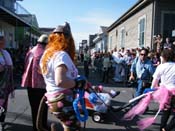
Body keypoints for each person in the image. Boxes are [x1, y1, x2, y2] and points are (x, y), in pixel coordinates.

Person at [40, 22, 84, 131]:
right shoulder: (61, 55)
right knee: (74, 127)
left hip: (53, 98)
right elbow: (60, 80)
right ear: (67, 38)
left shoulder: (47, 54)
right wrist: (77, 83)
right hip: (62, 99)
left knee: (67, 126)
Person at [21, 34, 48, 131]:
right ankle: (43, 126)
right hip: (42, 85)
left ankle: (35, 127)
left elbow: (25, 65)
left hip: (30, 84)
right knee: (43, 108)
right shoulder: (45, 53)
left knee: (34, 107)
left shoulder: (31, 51)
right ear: (46, 43)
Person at [150, 49, 175, 131]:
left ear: (164, 57)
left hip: (165, 92)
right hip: (173, 91)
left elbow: (155, 81)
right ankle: (166, 128)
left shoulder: (161, 67)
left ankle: (163, 128)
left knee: (166, 112)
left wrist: (153, 90)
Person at [0, 36, 14, 130]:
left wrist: (4, 67)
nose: (5, 43)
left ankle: (1, 121)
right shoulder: (4, 53)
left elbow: (11, 67)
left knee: (2, 103)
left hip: (3, 84)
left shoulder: (5, 53)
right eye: (4, 41)